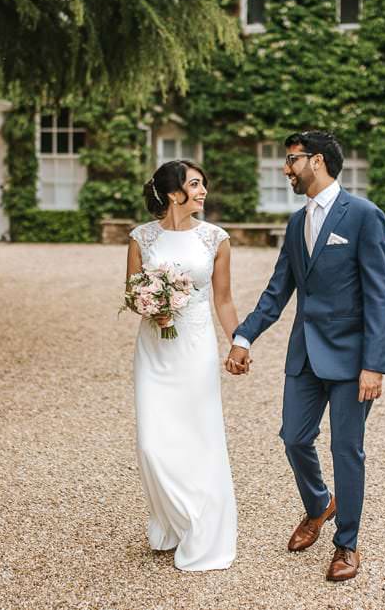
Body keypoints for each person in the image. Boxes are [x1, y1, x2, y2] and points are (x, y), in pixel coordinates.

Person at [226, 130, 385, 582]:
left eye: (291, 160)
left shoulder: (364, 216)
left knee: (346, 449)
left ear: (316, 161)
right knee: (293, 437)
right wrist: (244, 337)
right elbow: (278, 290)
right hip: (304, 355)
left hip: (351, 359)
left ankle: (346, 544)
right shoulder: (295, 223)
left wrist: (374, 364)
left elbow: (380, 296)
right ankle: (319, 504)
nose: (286, 169)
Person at [125, 159, 239, 571]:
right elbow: (133, 292)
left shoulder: (215, 239)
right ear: (174, 193)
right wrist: (152, 308)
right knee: (152, 443)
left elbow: (223, 300)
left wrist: (238, 342)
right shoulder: (141, 238)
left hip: (194, 346)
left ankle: (204, 531)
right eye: (195, 184)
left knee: (200, 435)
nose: (203, 190)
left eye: (203, 183)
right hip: (154, 349)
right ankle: (174, 520)